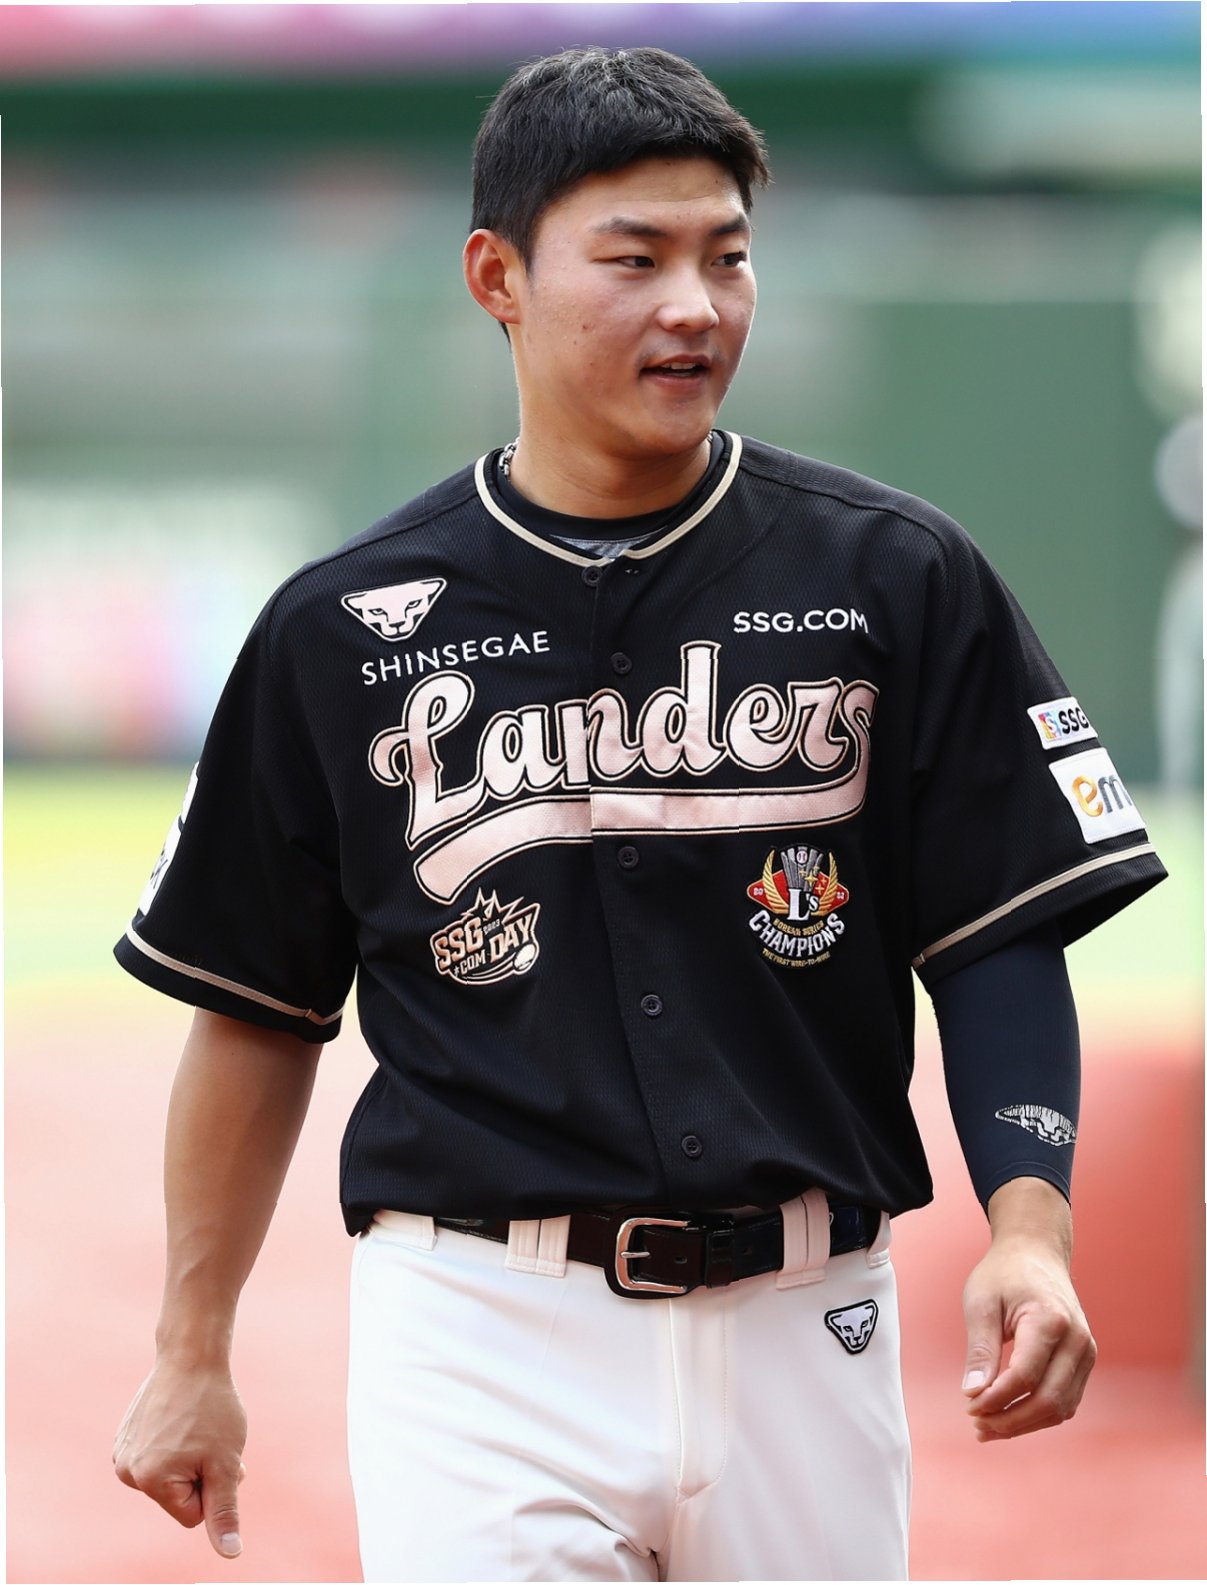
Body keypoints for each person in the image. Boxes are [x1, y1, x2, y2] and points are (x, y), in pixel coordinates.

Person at [112, 46, 1165, 1583]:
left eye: (727, 257)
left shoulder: (895, 576)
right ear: (499, 277)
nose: (696, 305)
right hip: (483, 1331)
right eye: (636, 258)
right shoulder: (341, 628)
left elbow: (997, 936)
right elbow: (255, 1006)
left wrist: (1028, 1226)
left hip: (813, 1319)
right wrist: (189, 1345)